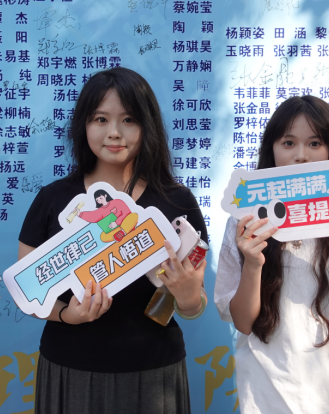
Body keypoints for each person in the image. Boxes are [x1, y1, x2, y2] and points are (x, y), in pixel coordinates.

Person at [18, 67, 208, 414]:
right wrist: (68, 315)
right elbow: (28, 293)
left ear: (147, 125)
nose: (114, 132)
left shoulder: (176, 202)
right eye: (101, 119)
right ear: (84, 125)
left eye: (129, 120)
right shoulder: (52, 200)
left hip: (154, 374)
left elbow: (193, 307)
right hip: (70, 369)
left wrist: (188, 297)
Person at [214, 95, 329, 413]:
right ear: (271, 149)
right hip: (270, 391)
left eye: (314, 143)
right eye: (288, 143)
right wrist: (253, 263)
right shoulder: (246, 220)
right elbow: (243, 322)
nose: (301, 155)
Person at [74, 188, 139, 242]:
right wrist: (79, 214)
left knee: (134, 215)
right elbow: (92, 216)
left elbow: (127, 212)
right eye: (97, 200)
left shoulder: (117, 202)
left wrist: (116, 223)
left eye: (100, 198)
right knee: (102, 236)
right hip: (116, 230)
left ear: (105, 195)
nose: (99, 200)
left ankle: (123, 232)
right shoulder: (101, 210)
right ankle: (121, 234)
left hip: (125, 225)